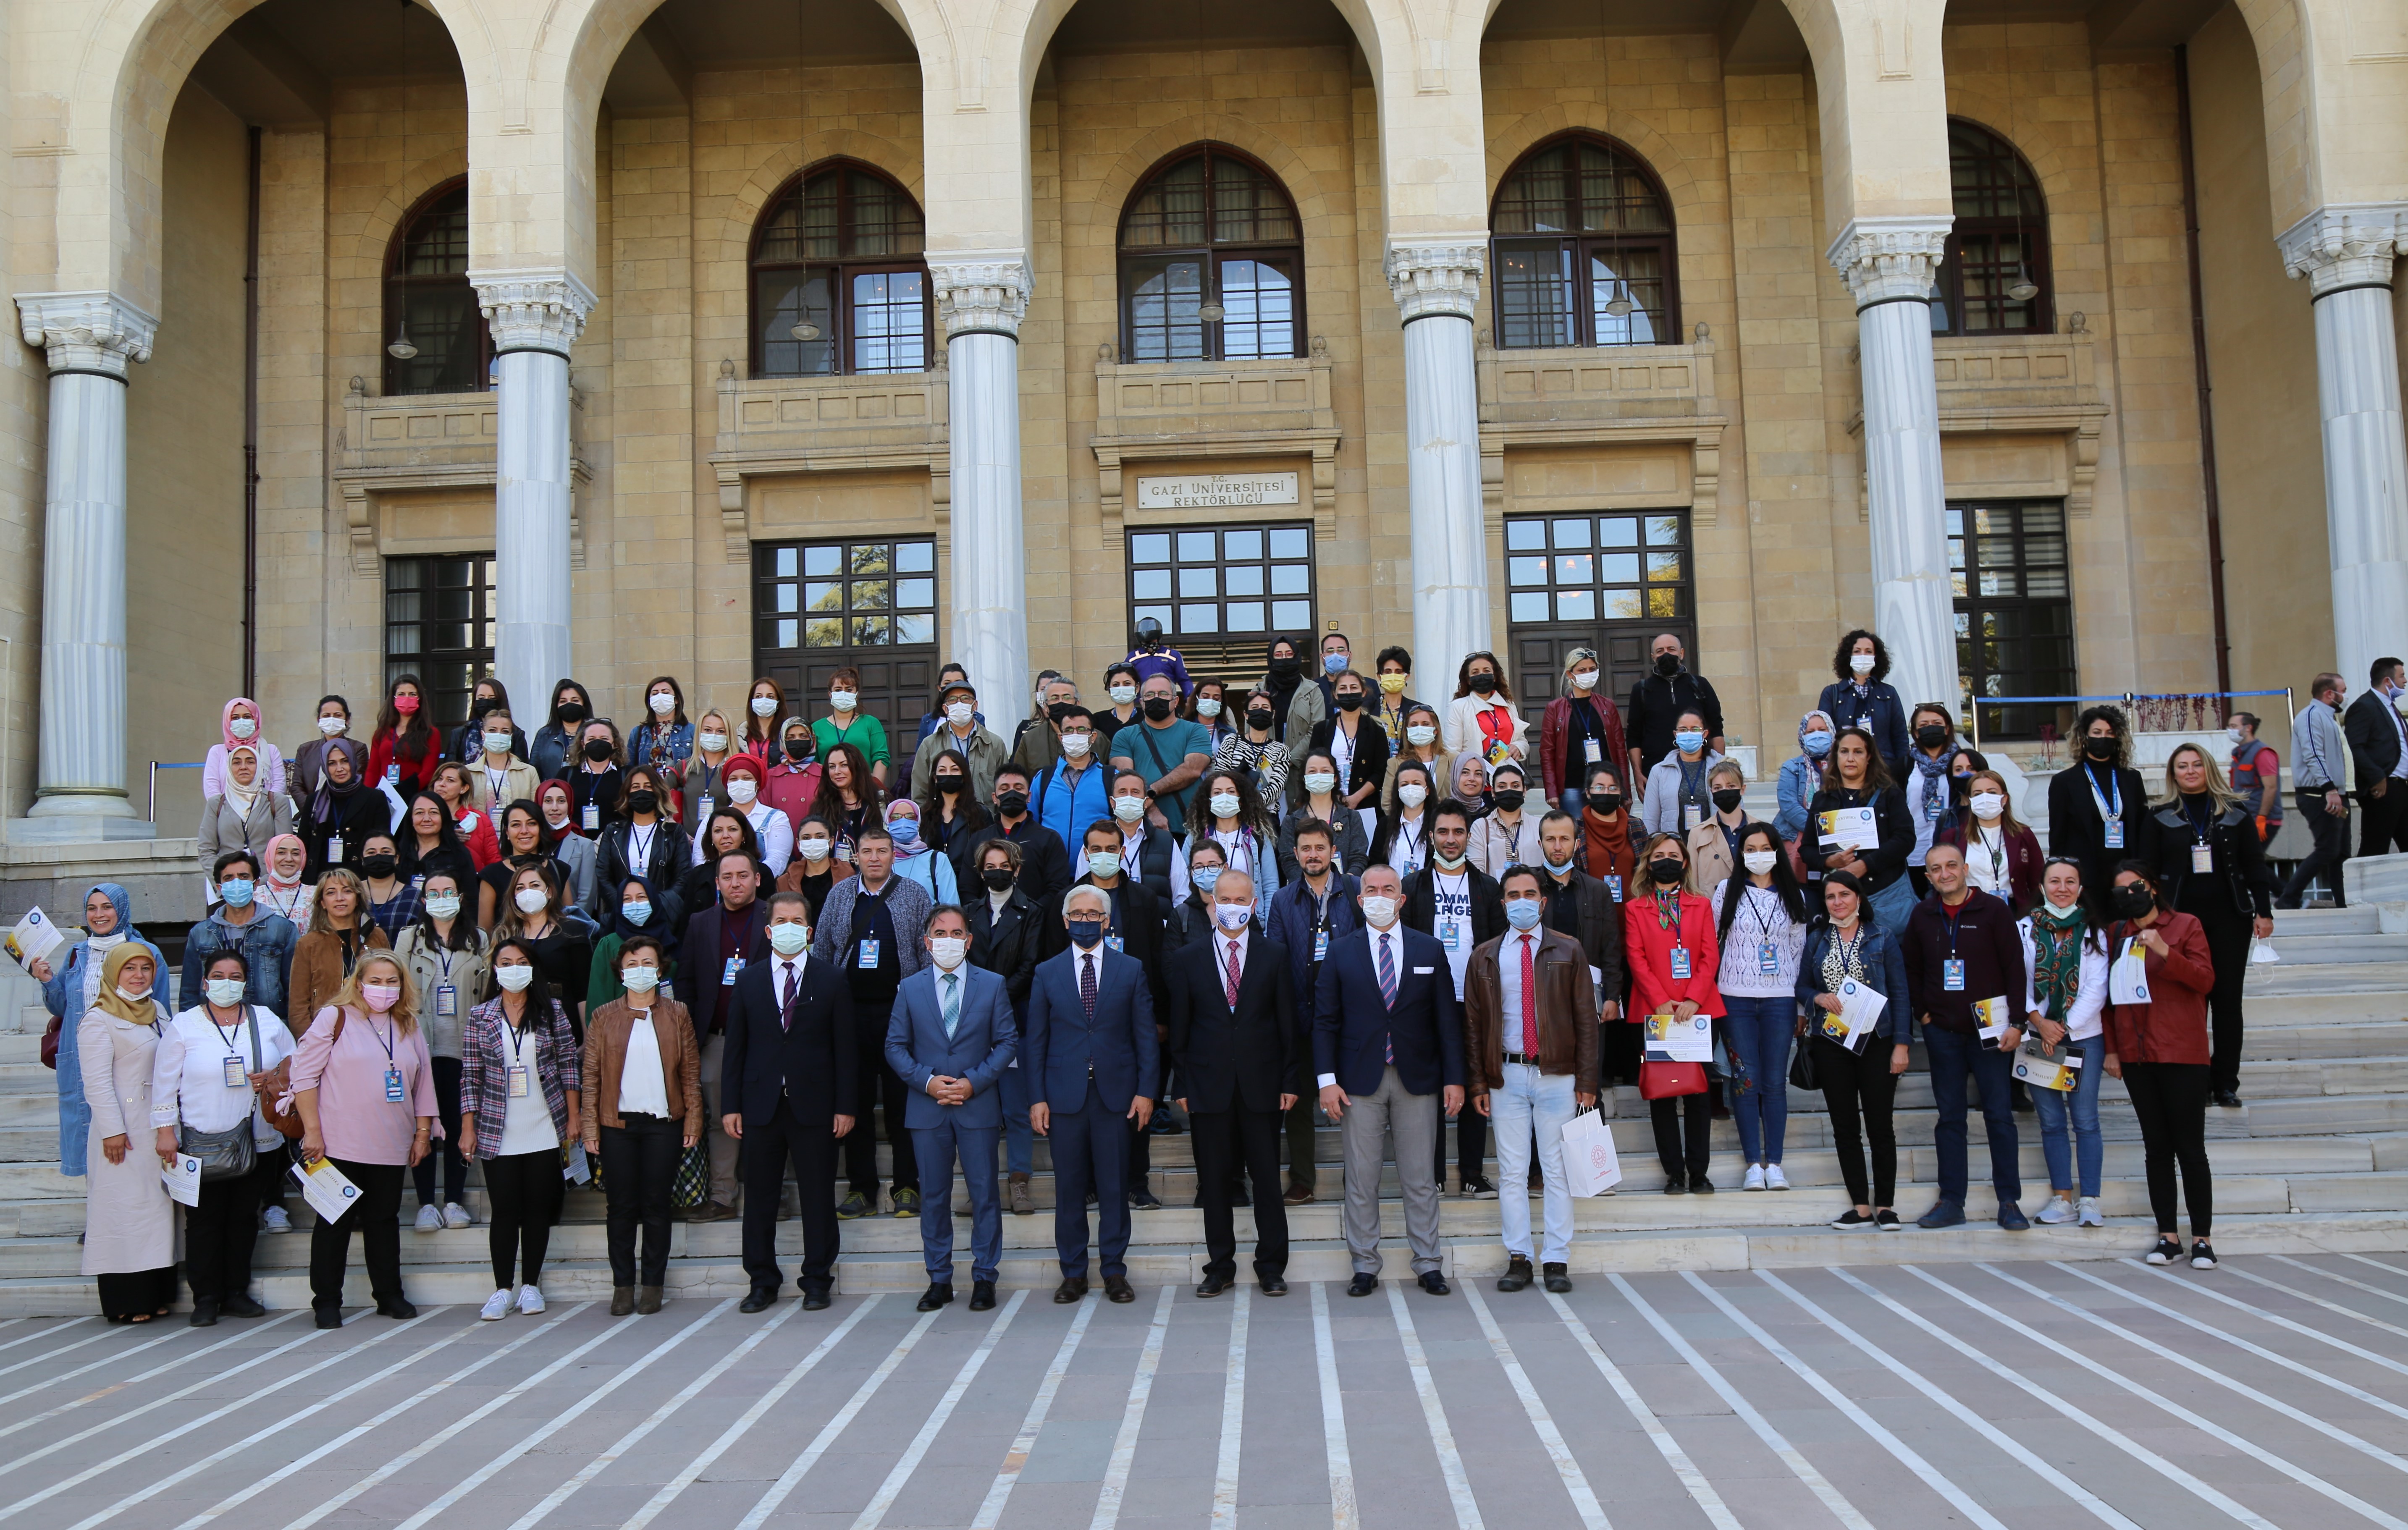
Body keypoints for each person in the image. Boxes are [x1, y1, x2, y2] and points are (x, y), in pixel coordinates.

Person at [1316, 864, 1463, 1296]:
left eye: (1389, 889)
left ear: (1401, 898)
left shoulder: (1429, 949)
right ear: (1359, 900)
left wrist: (1454, 1078)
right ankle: (1364, 1263)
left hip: (1416, 1078)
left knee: (1419, 1177)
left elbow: (1446, 1023)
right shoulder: (1339, 951)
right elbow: (1324, 1021)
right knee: (1361, 1177)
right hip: (1357, 1082)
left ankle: (1428, 1262)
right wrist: (1326, 1080)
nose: (1379, 895)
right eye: (1371, 889)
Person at [1166, 867, 1299, 1297]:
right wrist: (1182, 1086)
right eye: (1225, 899)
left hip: (1262, 1086)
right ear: (1211, 903)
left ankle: (1271, 1265)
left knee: (1265, 1180)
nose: (1232, 907)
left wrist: (1289, 1080)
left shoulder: (1274, 955)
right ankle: (1219, 1265)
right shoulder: (1187, 958)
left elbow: (1287, 1025)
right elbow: (1180, 1030)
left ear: (1254, 904)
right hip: (1208, 1088)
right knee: (1215, 1181)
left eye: (1241, 900)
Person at [1465, 866, 1598, 1293]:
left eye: (1529, 893)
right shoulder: (1484, 954)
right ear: (1502, 902)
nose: (1521, 900)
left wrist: (1588, 1079)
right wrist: (1478, 1082)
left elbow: (1586, 1019)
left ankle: (1556, 1258)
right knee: (1511, 1171)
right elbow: (1472, 1024)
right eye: (1512, 894)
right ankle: (1518, 1256)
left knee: (1556, 1170)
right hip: (1505, 1075)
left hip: (1557, 1074)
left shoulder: (1569, 949)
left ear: (1541, 901)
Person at [1026, 884, 1159, 1304]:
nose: (1085, 920)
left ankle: (1114, 1271)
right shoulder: (1046, 972)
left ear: (1106, 920)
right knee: (1068, 1188)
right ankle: (1073, 1273)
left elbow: (1145, 1038)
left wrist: (1146, 1092)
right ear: (1065, 921)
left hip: (1115, 1097)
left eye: (1093, 914)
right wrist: (1036, 1097)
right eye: (1077, 914)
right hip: (1063, 1098)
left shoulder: (1130, 968)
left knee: (1115, 1187)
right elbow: (1035, 1040)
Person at [724, 891, 857, 1312]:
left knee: (818, 1195)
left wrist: (846, 1105)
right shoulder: (747, 981)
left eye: (796, 920)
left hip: (815, 1106)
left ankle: (817, 1278)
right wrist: (731, 1105)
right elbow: (735, 1050)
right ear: (768, 930)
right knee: (760, 1197)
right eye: (780, 920)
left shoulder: (832, 979)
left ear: (809, 929)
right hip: (761, 1106)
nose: (788, 926)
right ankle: (762, 1281)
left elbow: (846, 1050)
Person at [291, 952, 437, 1326]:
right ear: (358, 983)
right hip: (338, 1142)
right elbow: (304, 1077)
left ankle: (389, 1295)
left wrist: (423, 1134)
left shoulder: (409, 1025)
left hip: (391, 1141)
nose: (384, 989)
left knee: (384, 1222)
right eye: (376, 981)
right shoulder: (334, 1018)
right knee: (333, 1223)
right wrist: (313, 1133)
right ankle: (326, 1302)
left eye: (392, 982)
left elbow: (424, 1085)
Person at [884, 905, 1016, 1313]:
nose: (948, 939)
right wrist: (927, 1081)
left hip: (976, 1104)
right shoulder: (910, 987)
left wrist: (972, 1081)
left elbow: (1008, 1041)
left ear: (968, 940)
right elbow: (894, 1045)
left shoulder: (992, 984)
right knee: (935, 1196)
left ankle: (984, 1277)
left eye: (956, 932)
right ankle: (939, 1278)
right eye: (940, 932)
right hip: (928, 1107)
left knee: (985, 1193)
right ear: (927, 941)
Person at [151, 950, 290, 1324]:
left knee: (244, 1218)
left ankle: (235, 1293)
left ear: (245, 982)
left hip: (255, 1137)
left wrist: (274, 1077)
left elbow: (296, 1068)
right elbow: (164, 1085)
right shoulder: (185, 1025)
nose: (227, 982)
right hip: (201, 1140)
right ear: (205, 981)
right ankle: (206, 1298)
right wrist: (166, 1132)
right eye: (218, 975)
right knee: (203, 1221)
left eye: (235, 975)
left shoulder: (266, 1020)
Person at [1901, 840, 2029, 1229]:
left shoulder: (1993, 910)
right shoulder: (1922, 915)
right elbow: (1912, 971)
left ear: (1965, 868)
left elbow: (2014, 968)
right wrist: (1924, 1015)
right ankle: (1951, 1201)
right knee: (1950, 1118)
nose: (1945, 874)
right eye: (1936, 869)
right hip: (1943, 1032)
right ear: (1928, 877)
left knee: (1999, 1116)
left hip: (1991, 1032)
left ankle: (2009, 1202)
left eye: (1951, 866)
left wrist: (2018, 1023)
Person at [459, 936, 582, 1319]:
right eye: (506, 962)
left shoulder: (553, 1011)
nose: (514, 968)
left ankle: (531, 1285)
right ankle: (502, 1289)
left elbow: (568, 1066)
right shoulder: (481, 1016)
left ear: (533, 968)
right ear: (495, 969)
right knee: (505, 1210)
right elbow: (470, 1076)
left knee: (536, 1210)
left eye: (521, 961)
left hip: (545, 1123)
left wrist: (575, 1117)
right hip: (498, 1126)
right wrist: (467, 1127)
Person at [2104, 861, 2219, 1268]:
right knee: (2156, 1148)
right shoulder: (2116, 933)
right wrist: (2113, 1049)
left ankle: (2202, 1238)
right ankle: (2167, 1235)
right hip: (2137, 1056)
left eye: (2136, 886)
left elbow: (2205, 980)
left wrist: (2163, 949)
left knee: (2189, 1147)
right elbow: (2107, 997)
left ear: (2152, 887)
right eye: (2120, 891)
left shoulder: (2185, 925)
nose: (2129, 894)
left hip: (2182, 1053)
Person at [2148, 742, 2276, 1108]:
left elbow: (2255, 865)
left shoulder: (2236, 813)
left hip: (2229, 919)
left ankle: (2226, 1082)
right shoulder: (2158, 817)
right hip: (2179, 923)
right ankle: (2197, 1081)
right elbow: (2147, 872)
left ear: (2208, 769)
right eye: (2182, 766)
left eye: (2196, 765)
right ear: (2173, 774)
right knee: (2190, 1002)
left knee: (2227, 1002)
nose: (2190, 771)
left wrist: (2263, 913)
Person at [814, 825, 933, 1218]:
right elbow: (826, 951)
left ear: (893, 854)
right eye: (867, 851)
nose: (875, 858)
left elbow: (927, 951)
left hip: (900, 1014)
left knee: (902, 1103)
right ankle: (861, 1188)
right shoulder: (839, 895)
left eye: (883, 851)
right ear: (857, 856)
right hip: (849, 1014)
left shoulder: (914, 894)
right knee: (856, 1102)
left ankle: (906, 1187)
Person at [581, 935, 702, 1315]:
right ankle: (623, 1285)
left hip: (663, 1124)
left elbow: (690, 1072)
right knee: (620, 1208)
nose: (639, 971)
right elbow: (592, 1076)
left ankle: (652, 1284)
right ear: (620, 971)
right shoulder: (603, 1016)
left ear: (660, 969)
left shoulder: (677, 1013)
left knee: (656, 1206)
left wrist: (694, 1117)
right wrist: (589, 1127)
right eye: (632, 965)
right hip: (617, 1124)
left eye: (647, 963)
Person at [1794, 870, 1913, 1229]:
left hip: (1877, 1042)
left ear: (1859, 898)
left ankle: (1887, 1207)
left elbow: (1902, 992)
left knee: (1880, 1126)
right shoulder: (1817, 939)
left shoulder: (1883, 937)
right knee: (1845, 1127)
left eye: (1845, 894)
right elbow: (1800, 987)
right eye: (1831, 897)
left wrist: (1902, 1046)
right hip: (1832, 1044)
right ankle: (1860, 1206)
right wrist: (1817, 997)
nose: (1838, 902)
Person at [1070, 819, 1171, 1205]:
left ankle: (1136, 1182)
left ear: (1123, 851)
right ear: (1086, 852)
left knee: (1137, 1103)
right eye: (1096, 849)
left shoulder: (1144, 899)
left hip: (1135, 1017)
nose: (1105, 855)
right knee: (1092, 1105)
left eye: (1112, 848)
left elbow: (1158, 961)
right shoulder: (1071, 901)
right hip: (1086, 1020)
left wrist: (1160, 1017)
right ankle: (1093, 1183)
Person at [45, 884, 170, 1189]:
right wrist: (48, 981)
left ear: (122, 910)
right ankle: (100, 1211)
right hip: (85, 1055)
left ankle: (133, 1209)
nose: (99, 915)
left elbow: (160, 1009)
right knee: (90, 1129)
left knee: (130, 1134)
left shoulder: (147, 953)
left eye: (107, 907)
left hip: (132, 1055)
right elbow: (63, 1006)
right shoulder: (78, 953)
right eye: (92, 908)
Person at [1408, 803, 1503, 1196]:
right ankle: (1432, 1175)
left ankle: (1471, 1174)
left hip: (1474, 1002)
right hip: (1427, 1002)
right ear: (1431, 836)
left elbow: (1498, 948)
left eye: (1458, 832)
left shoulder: (1488, 888)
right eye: (1443, 832)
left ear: (1469, 836)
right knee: (1430, 1091)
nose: (1450, 839)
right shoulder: (1413, 885)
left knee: (1472, 1085)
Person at [79, 943, 175, 1323]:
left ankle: (156, 1293)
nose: (138, 975)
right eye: (129, 968)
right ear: (113, 973)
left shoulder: (159, 1013)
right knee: (123, 1214)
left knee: (154, 1212)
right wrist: (112, 1131)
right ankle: (126, 1300)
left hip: (157, 1128)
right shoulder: (98, 1019)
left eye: (145, 968)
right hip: (123, 1133)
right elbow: (97, 1083)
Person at [1265, 817, 1359, 1204]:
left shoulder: (1354, 892)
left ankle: (1358, 1179)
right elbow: (1275, 958)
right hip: (1302, 1017)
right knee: (1300, 1104)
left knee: (1357, 1103)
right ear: (1296, 854)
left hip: (1351, 1018)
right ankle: (1303, 1179)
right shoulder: (1283, 900)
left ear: (1333, 851)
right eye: (1306, 849)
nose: (1313, 855)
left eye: (1320, 847)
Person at [1713, 824, 1810, 1189]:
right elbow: (1712, 941)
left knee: (1774, 1083)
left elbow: (1800, 952)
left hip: (1780, 1000)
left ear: (1776, 852)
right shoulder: (1726, 891)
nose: (1758, 854)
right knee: (1744, 1081)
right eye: (1750, 848)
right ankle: (1754, 1163)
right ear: (1741, 854)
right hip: (1735, 998)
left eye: (1765, 847)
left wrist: (1801, 1006)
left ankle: (1776, 1164)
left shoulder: (1794, 894)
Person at [1623, 833, 1721, 1193]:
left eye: (1673, 855)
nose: (1667, 860)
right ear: (1649, 863)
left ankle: (1699, 1172)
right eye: (1659, 855)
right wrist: (1660, 1000)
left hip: (1699, 1012)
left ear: (1685, 862)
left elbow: (1711, 955)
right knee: (1663, 1093)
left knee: (1698, 1094)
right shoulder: (1636, 908)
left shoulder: (1701, 904)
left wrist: (1694, 999)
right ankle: (1674, 1173)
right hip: (1654, 1013)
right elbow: (1636, 957)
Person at [677, 849, 771, 1219]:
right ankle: (722, 1196)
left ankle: (771, 1193)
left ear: (757, 879)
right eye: (727, 877)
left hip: (766, 1040)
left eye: (743, 876)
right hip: (715, 1039)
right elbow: (685, 980)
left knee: (768, 1117)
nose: (736, 883)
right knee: (720, 1117)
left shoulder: (775, 914)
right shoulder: (700, 922)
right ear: (717, 883)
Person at [2017, 857, 2111, 1229]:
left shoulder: (2094, 932)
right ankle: (2063, 1198)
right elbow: (2014, 980)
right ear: (2042, 888)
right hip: (2039, 1039)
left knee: (2086, 1120)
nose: (2062, 888)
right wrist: (2040, 1022)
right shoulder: (2023, 929)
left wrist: (2065, 1026)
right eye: (2054, 881)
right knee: (2052, 1121)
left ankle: (2090, 1199)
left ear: (2081, 889)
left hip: (2083, 1038)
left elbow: (2097, 987)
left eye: (2070, 882)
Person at [396, 870, 485, 1230]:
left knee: (457, 1124)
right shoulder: (409, 939)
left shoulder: (479, 939)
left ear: (460, 897)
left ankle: (453, 1201)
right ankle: (425, 1205)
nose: (442, 897)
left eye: (449, 890)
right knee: (424, 1126)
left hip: (463, 1048)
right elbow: (399, 988)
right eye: (433, 892)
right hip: (423, 1048)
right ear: (423, 901)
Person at [966, 836, 1045, 1216]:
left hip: (1015, 1018)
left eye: (1004, 866)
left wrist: (995, 999)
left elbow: (1030, 966)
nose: (997, 872)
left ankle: (1019, 1183)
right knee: (978, 1110)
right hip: (973, 1023)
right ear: (981, 872)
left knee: (1015, 1107)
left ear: (1016, 868)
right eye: (990, 867)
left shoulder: (1033, 911)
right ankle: (977, 1187)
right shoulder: (967, 914)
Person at [1800, 726, 1916, 933]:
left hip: (1886, 896)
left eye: (1858, 752)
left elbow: (1905, 839)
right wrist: (1828, 862)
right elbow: (1807, 849)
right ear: (1836, 756)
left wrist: (1866, 865)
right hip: (1840, 903)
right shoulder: (1823, 799)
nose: (1851, 758)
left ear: (1869, 756)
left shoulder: (1889, 794)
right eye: (1844, 752)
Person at [2049, 704, 2157, 901]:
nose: (2103, 738)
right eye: (2097, 732)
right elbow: (2058, 835)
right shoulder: (2064, 782)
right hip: (2086, 879)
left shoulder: (2131, 779)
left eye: (2110, 733)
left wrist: (2143, 871)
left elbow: (2142, 827)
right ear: (2084, 737)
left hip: (2126, 877)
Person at [496, 861, 594, 1036]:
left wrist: (588, 1038)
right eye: (520, 888)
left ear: (549, 892)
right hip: (517, 1021)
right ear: (514, 896)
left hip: (564, 1019)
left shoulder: (572, 930)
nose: (528, 892)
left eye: (535, 885)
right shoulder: (505, 934)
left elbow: (584, 990)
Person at [956, 762, 1074, 908]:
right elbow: (967, 889)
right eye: (1004, 789)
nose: (1012, 793)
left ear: (1029, 796)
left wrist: (1031, 915)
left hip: (1034, 926)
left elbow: (1057, 889)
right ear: (995, 798)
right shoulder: (979, 840)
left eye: (1019, 788)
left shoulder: (1049, 839)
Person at [291, 868, 392, 1035]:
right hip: (326, 1034)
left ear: (358, 898)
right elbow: (298, 1005)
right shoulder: (308, 944)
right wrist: (310, 1043)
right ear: (322, 902)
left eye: (347, 891)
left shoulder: (376, 936)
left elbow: (391, 986)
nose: (340, 898)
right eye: (331, 893)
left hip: (374, 1030)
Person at [2282, 672, 2353, 908]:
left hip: (2334, 794)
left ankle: (2343, 902)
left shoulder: (2327, 718)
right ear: (2329, 694)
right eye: (2342, 691)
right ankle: (2288, 898)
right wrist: (2330, 789)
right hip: (2319, 795)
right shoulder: (2311, 717)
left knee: (2340, 853)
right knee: (2328, 850)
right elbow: (2313, 754)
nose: (2345, 696)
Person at [1112, 672, 1214, 831]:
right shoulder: (1124, 736)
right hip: (1145, 828)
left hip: (1193, 828)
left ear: (1175, 701)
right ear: (1142, 702)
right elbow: (1126, 783)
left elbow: (1192, 770)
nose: (1156, 698)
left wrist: (1151, 791)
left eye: (1163, 694)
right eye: (1150, 695)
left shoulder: (1195, 731)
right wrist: (1152, 811)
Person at [594, 765, 694, 922]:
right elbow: (603, 875)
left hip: (663, 918)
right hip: (621, 917)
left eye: (648, 786)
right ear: (628, 793)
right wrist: (623, 905)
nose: (642, 791)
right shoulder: (613, 831)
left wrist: (659, 905)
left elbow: (683, 876)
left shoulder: (675, 832)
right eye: (636, 787)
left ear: (658, 791)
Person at [1536, 648, 1629, 817]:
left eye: (1592, 670)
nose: (1588, 674)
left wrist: (1625, 789)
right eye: (1582, 670)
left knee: (1605, 832)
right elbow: (1547, 752)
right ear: (1571, 675)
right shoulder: (1555, 709)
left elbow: (1620, 749)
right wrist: (1551, 791)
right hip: (1571, 785)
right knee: (1577, 835)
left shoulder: (1608, 706)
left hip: (1605, 784)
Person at [1935, 768, 2043, 913]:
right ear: (1971, 801)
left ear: (2004, 799)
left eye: (1992, 793)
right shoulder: (1952, 837)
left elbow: (2037, 880)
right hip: (1967, 911)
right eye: (1978, 794)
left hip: (2013, 913)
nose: (1985, 798)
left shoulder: (2024, 835)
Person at [1185, 767, 1281, 924]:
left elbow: (1270, 886)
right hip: (1205, 922)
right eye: (1217, 793)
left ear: (1241, 800)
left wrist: (1269, 927)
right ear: (1208, 800)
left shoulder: (1258, 838)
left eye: (1231, 792)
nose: (1224, 797)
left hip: (1251, 921)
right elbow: (1184, 884)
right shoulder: (1195, 838)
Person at [198, 744, 294, 899]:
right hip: (227, 889)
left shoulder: (277, 801)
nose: (243, 767)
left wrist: (262, 883)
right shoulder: (216, 804)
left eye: (250, 762)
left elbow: (284, 849)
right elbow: (206, 849)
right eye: (237, 762)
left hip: (267, 886)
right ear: (229, 768)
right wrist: (225, 882)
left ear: (259, 766)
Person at [1625, 634, 1724, 783]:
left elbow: (1716, 728)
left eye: (1671, 649)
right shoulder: (1641, 690)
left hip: (1700, 770)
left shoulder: (1700, 685)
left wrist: (1720, 770)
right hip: (1656, 771)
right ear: (1653, 657)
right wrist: (1638, 775)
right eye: (1660, 651)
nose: (1666, 654)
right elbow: (1634, 736)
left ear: (1681, 653)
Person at [1817, 630, 1911, 775]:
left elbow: (1900, 738)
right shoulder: (1832, 694)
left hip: (1884, 770)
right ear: (1849, 656)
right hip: (1845, 771)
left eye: (1869, 652)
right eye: (1857, 651)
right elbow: (1825, 737)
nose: (1863, 656)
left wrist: (1900, 772)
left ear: (1876, 657)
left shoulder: (1889, 693)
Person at [909, 677, 1007, 803]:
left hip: (986, 820)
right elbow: (920, 793)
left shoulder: (995, 744)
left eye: (966, 699)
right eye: (953, 700)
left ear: (975, 706)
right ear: (945, 709)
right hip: (942, 820)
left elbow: (1004, 789)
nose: (959, 704)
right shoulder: (929, 745)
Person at [2347, 656, 2408, 857]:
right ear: (2387, 681)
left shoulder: (2390, 707)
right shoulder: (2365, 706)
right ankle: (2361, 889)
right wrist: (2377, 777)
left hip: (2401, 788)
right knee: (2375, 849)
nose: (2405, 681)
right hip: (2384, 789)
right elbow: (2354, 747)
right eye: (2402, 676)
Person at [1305, 668, 1389, 815]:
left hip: (1366, 805)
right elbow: (1312, 767)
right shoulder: (1322, 729)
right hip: (1328, 804)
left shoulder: (1376, 730)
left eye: (1354, 687)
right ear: (1335, 694)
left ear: (1364, 693)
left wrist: (1357, 798)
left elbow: (1381, 772)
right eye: (1343, 688)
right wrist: (1335, 796)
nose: (1349, 692)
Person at [1277, 749, 1370, 882]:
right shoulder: (1291, 822)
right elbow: (1289, 861)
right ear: (1304, 779)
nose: (1319, 776)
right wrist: (1311, 886)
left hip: (1345, 892)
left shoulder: (1352, 818)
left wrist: (1345, 883)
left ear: (1335, 778)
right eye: (1312, 772)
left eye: (1325, 771)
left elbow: (1359, 857)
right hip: (1305, 894)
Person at [1102, 768, 1188, 910]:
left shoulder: (1166, 841)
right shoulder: (1096, 841)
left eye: (1135, 792)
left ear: (1146, 802)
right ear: (1113, 802)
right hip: (1110, 927)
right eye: (1123, 792)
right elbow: (1083, 888)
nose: (1129, 797)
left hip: (1158, 926)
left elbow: (1182, 894)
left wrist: (1171, 927)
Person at [477, 802, 573, 930]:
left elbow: (570, 921)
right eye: (516, 825)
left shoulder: (560, 869)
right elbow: (485, 931)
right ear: (507, 832)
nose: (524, 831)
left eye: (531, 824)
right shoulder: (492, 875)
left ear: (541, 828)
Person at [588, 873, 679, 1009]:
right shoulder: (609, 944)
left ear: (653, 900)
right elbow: (598, 998)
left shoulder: (670, 943)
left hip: (665, 1025)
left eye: (641, 897)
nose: (635, 904)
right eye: (627, 899)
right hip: (618, 1026)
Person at [299, 742, 384, 881]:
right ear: (325, 768)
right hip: (320, 878)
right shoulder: (314, 800)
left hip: (359, 878)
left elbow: (381, 842)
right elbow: (304, 843)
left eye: (345, 761)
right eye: (332, 764)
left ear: (353, 761)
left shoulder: (375, 798)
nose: (340, 769)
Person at [1034, 706, 1111, 854]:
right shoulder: (1043, 778)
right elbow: (1031, 823)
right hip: (1050, 871)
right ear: (1061, 738)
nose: (1075, 734)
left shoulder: (1111, 778)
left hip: (1097, 870)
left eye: (1082, 730)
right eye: (1069, 730)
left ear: (1093, 737)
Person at [1641, 710, 1724, 837]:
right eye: (1683, 730)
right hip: (1674, 849)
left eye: (1695, 729)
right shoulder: (1659, 771)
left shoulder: (1721, 768)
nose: (1689, 734)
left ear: (1705, 734)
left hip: (1713, 848)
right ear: (1676, 734)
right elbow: (1650, 819)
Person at [1443, 650, 1526, 768]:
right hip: (1477, 779)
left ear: (1495, 677)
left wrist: (1518, 747)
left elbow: (1522, 740)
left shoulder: (1509, 705)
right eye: (1475, 672)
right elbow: (1452, 751)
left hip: (1508, 777)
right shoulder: (1458, 707)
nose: (1481, 675)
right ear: (1469, 680)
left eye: (1486, 671)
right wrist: (1471, 771)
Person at [1683, 758, 1753, 893]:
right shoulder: (1698, 834)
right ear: (1711, 792)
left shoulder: (1761, 829)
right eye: (1718, 788)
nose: (1724, 792)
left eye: (1731, 786)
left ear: (1742, 789)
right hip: (1712, 909)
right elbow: (1692, 884)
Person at [1776, 711, 1836, 867]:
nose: (1817, 735)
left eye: (1822, 730)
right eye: (1810, 732)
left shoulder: (1842, 766)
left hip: (1837, 838)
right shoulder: (1792, 767)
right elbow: (1788, 806)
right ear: (1802, 736)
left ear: (1832, 732)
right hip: (1799, 837)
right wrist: (1820, 829)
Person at [807, 741, 883, 862]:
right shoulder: (821, 808)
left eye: (844, 765)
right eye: (832, 767)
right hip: (836, 876)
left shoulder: (879, 803)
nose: (837, 771)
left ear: (857, 767)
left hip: (874, 872)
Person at [368, 675, 442, 798]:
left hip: (414, 797)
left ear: (420, 699)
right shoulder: (381, 733)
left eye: (412, 694)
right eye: (402, 694)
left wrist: (402, 790)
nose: (407, 698)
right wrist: (368, 795)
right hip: (382, 798)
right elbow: (372, 771)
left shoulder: (431, 733)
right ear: (394, 699)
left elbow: (428, 773)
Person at [812, 669, 891, 784]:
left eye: (849, 690)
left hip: (864, 788)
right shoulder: (817, 727)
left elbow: (881, 758)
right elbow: (814, 764)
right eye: (838, 690)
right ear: (831, 694)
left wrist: (875, 788)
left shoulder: (871, 723)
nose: (843, 694)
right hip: (829, 791)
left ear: (857, 694)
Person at [1468, 761, 1541, 876]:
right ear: (1493, 792)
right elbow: (1476, 871)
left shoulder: (1539, 826)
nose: (1509, 791)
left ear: (1525, 791)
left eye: (1515, 786)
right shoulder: (1480, 827)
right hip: (1494, 893)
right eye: (1502, 786)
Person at [1378, 702, 1448, 816]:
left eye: (1425, 724)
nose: (1420, 729)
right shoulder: (1395, 763)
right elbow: (1387, 803)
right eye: (1414, 725)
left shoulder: (1452, 759)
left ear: (1436, 730)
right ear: (1407, 731)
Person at [467, 707, 541, 815]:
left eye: (505, 731)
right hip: (481, 832)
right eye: (492, 730)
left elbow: (536, 811)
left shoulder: (529, 772)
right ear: (483, 735)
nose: (499, 735)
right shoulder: (468, 773)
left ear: (511, 737)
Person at [919, 747, 988, 862]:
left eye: (955, 769)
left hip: (966, 878)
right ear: (935, 778)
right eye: (942, 770)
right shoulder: (925, 814)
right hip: (933, 878)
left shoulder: (980, 814)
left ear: (964, 776)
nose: (948, 774)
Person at [1578, 764, 1637, 901]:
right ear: (1588, 793)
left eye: (1613, 788)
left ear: (1621, 792)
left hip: (1632, 913)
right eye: (1599, 788)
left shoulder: (1636, 827)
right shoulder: (1576, 828)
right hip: (1591, 914)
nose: (1606, 793)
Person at [884, 798, 960, 902]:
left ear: (918, 821)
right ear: (888, 821)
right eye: (896, 817)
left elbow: (951, 907)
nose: (903, 822)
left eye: (910, 817)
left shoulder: (938, 860)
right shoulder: (879, 859)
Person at [289, 695, 359, 809]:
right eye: (326, 716)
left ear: (347, 720)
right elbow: (297, 787)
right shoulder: (305, 749)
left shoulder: (357, 748)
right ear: (319, 720)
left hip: (343, 811)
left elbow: (357, 782)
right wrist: (312, 809)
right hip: (310, 812)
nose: (332, 720)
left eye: (338, 716)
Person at [399, 791, 476, 893]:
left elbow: (472, 899)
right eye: (420, 813)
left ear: (444, 818)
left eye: (434, 813)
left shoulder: (460, 854)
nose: (427, 819)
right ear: (411, 819)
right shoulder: (398, 854)